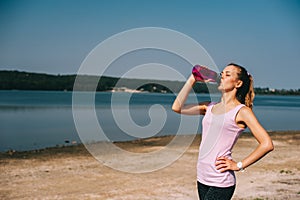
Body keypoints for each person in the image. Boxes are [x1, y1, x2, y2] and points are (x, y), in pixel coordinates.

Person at [172, 63, 274, 200]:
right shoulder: (209, 106)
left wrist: (239, 165)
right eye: (222, 74)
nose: (222, 77)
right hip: (202, 177)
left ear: (238, 83)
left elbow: (267, 144)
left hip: (220, 181)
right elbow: (177, 107)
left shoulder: (242, 111)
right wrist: (193, 79)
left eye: (228, 74)